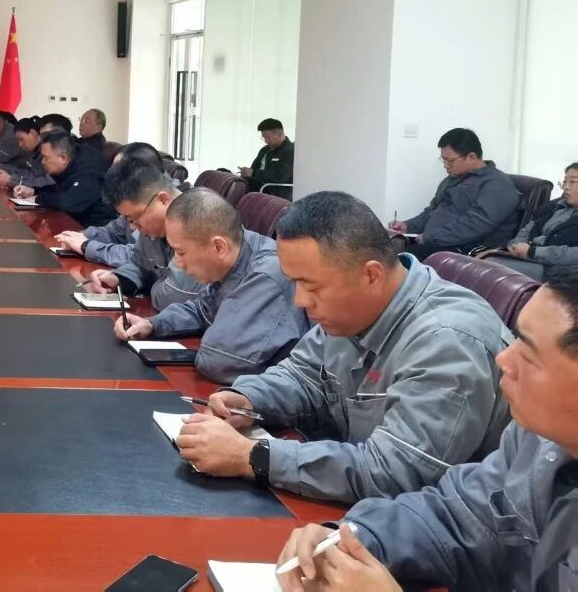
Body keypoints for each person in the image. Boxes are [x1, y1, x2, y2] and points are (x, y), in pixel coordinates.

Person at [176, 191, 512, 504]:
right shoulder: (351, 310)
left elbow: (397, 471)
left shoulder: (447, 340)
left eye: (311, 286)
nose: (300, 300)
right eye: (294, 283)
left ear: (371, 275)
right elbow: (302, 373)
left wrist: (251, 456)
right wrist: (248, 397)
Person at [274, 271, 578, 592]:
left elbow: (393, 470)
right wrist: (351, 537)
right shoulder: (537, 438)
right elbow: (454, 516)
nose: (504, 358)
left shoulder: (450, 335)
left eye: (529, 354)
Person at [114, 188, 308, 384]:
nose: (178, 264)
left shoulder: (266, 275)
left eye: (181, 253)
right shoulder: (236, 254)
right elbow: (202, 310)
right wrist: (152, 324)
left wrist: (207, 344)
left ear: (218, 247)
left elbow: (220, 361)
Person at [388, 127, 519, 261]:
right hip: (436, 242)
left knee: (406, 258)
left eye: (449, 161)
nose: (445, 166)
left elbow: (475, 225)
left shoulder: (497, 184)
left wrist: (430, 237)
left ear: (471, 157)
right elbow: (432, 211)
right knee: (384, 246)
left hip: (466, 249)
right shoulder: (452, 180)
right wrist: (408, 226)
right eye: (443, 160)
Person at [85, 160, 201, 308]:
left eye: (135, 218)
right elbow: (140, 264)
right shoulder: (153, 225)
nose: (133, 227)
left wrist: (153, 283)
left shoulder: (198, 222)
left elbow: (173, 297)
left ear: (163, 199)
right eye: (128, 220)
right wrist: (118, 279)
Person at [54, 142, 165, 268]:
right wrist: (80, 237)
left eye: (119, 172)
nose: (113, 177)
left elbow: (138, 256)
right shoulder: (132, 200)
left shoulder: (166, 208)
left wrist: (86, 246)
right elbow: (113, 232)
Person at [480, 162, 578, 280]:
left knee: (490, 267)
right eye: (565, 182)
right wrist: (517, 245)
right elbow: (527, 229)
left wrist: (532, 252)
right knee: (480, 261)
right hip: (530, 257)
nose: (566, 187)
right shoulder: (554, 206)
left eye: (573, 182)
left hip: (559, 271)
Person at [13, 130, 116, 228]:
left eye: (46, 157)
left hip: (96, 228)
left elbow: (70, 202)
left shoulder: (88, 170)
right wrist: (34, 191)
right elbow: (62, 189)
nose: (43, 162)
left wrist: (38, 199)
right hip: (75, 221)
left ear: (63, 158)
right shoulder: (73, 159)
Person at [0, 117, 50, 191]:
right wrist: (4, 175)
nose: (20, 145)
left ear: (33, 133)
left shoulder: (48, 152)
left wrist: (11, 180)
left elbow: (46, 182)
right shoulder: (32, 153)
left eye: (21, 139)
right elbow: (28, 174)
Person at [240, 118, 294, 196]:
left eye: (267, 137)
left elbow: (281, 176)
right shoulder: (265, 150)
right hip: (258, 186)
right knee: (233, 182)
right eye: (263, 138)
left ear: (279, 134)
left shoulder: (290, 151)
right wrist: (247, 172)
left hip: (274, 191)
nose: (265, 141)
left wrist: (254, 173)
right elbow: (254, 168)